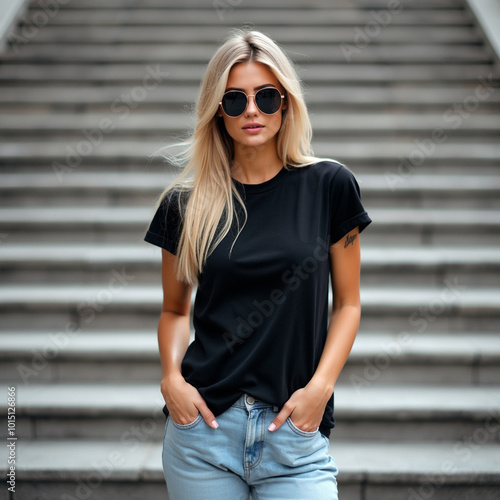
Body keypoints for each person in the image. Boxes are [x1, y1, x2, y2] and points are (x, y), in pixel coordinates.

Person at [144, 29, 371, 500]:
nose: (252, 110)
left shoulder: (330, 186)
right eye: (235, 99)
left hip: (293, 435)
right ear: (216, 110)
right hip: (203, 433)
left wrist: (320, 389)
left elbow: (348, 303)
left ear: (286, 104)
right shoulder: (185, 204)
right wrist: (171, 379)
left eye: (267, 97)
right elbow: (174, 310)